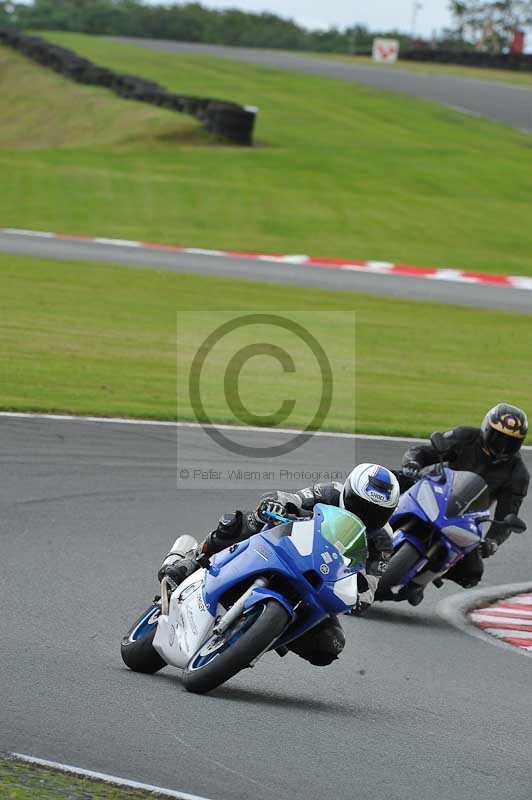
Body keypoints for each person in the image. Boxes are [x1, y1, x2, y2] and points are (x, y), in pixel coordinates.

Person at [158, 463, 400, 667]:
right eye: (362, 505)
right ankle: (193, 559)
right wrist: (275, 505)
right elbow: (290, 498)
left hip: (319, 584)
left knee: (329, 645)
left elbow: (371, 587)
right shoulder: (330, 493)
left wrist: (359, 593)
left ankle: (260, 635)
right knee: (241, 522)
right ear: (347, 493)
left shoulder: (383, 540)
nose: (366, 515)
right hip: (286, 547)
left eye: (377, 512)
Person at [400, 403, 529, 592]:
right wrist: (412, 464)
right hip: (433, 489)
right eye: (498, 438)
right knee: (385, 480)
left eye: (510, 443)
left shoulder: (518, 474)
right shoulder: (465, 436)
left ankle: (423, 579)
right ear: (486, 429)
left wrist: (493, 541)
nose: (502, 447)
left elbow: (507, 514)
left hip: (467, 515)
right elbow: (424, 451)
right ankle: (360, 523)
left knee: (472, 573)